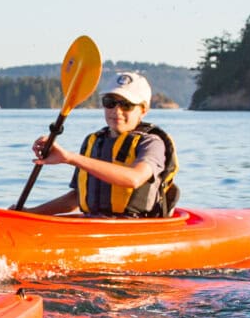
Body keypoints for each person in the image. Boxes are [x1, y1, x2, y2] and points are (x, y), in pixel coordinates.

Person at [26, 70, 180, 218]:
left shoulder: (152, 143)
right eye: (110, 102)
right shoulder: (94, 141)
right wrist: (32, 213)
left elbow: (134, 178)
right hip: (95, 222)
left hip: (135, 226)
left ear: (143, 109)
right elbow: (77, 197)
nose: (116, 111)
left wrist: (69, 158)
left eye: (126, 105)